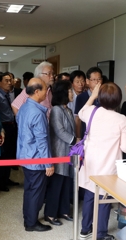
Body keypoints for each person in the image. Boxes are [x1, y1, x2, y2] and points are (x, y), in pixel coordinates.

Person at [78, 82, 126, 240]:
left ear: (100, 97)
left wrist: (92, 96)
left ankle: (85, 230)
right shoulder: (121, 119)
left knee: (89, 195)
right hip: (107, 166)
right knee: (103, 199)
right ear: (118, 100)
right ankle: (100, 235)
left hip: (90, 164)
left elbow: (81, 113)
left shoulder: (92, 112)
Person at [16, 78, 54, 232]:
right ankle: (31, 223)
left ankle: (28, 217)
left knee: (30, 189)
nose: (47, 92)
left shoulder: (24, 107)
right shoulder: (37, 113)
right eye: (45, 89)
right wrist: (48, 163)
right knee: (36, 192)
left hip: (26, 156)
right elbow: (42, 141)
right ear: (37, 91)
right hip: (36, 158)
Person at [44, 80, 76, 225]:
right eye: (70, 91)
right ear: (63, 93)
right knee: (56, 185)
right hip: (59, 152)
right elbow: (59, 131)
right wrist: (75, 140)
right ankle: (50, 214)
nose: (72, 93)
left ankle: (64, 211)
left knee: (66, 183)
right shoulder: (56, 110)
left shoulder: (67, 109)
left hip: (68, 152)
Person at [0, 72, 19, 191]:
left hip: (11, 126)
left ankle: (6, 179)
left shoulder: (8, 94)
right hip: (3, 127)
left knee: (9, 154)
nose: (9, 83)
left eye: (10, 80)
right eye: (6, 80)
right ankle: (0, 182)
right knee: (3, 156)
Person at [74, 67, 103, 139]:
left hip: (101, 134)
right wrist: (78, 137)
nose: (97, 82)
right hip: (86, 135)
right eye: (93, 80)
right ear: (87, 81)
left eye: (99, 79)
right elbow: (78, 119)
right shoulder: (81, 97)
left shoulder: (105, 96)